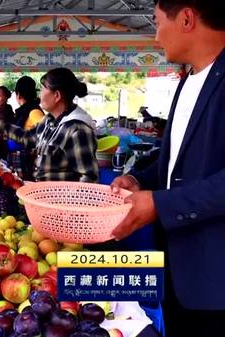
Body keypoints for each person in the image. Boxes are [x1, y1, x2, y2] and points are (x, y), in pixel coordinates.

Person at [110, 1, 225, 334]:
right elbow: (176, 157)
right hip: (180, 268)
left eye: (158, 23)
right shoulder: (188, 80)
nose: (156, 37)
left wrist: (159, 204)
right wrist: (138, 178)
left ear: (187, 18)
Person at [0, 68, 98, 182]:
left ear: (56, 96)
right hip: (42, 194)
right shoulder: (49, 120)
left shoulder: (77, 130)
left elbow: (88, 178)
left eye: (42, 89)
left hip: (58, 201)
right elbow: (28, 137)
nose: (39, 95)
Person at [8, 76, 46, 180]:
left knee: (26, 187)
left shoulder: (34, 112)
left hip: (27, 160)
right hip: (19, 158)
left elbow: (46, 134)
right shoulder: (22, 112)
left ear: (18, 94)